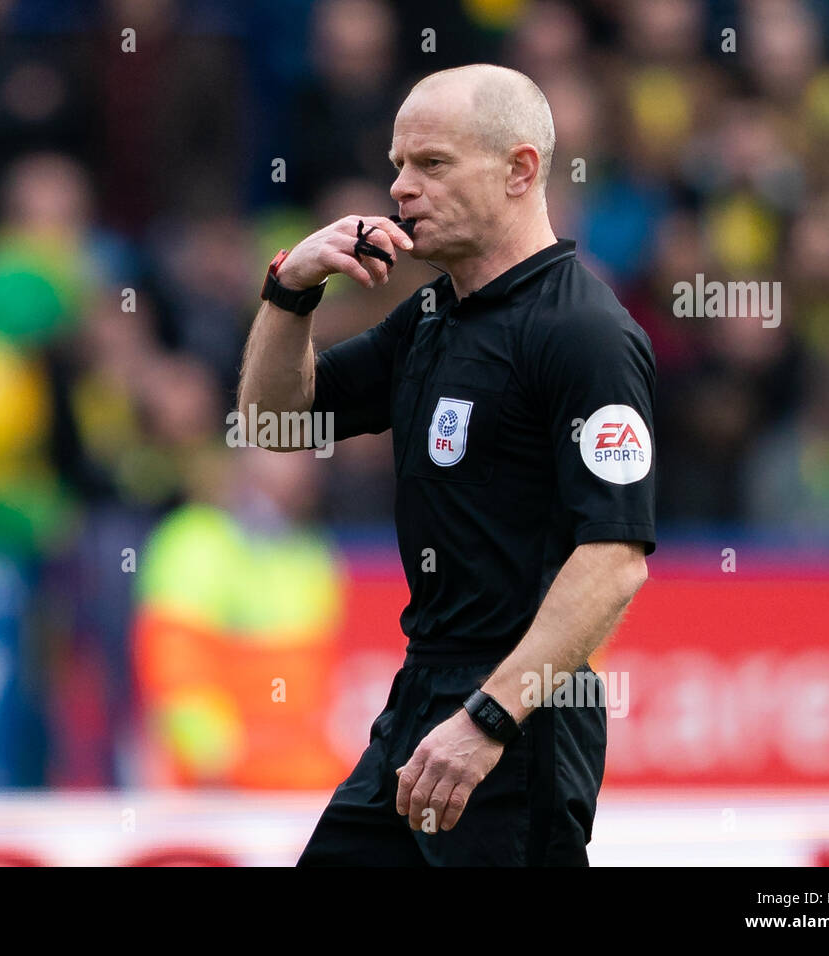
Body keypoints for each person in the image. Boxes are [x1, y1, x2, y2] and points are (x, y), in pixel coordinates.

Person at [237, 64, 656, 865]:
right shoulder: (430, 317)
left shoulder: (584, 336)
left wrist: (488, 720)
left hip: (518, 722)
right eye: (397, 165)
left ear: (519, 169)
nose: (401, 188)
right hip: (421, 698)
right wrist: (291, 291)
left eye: (431, 165)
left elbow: (613, 561)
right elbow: (271, 421)